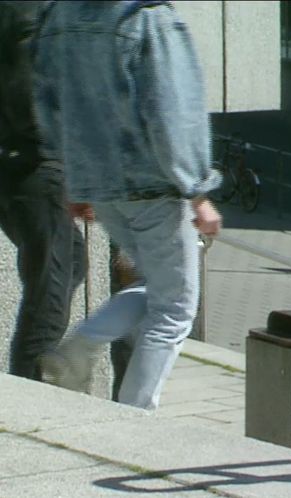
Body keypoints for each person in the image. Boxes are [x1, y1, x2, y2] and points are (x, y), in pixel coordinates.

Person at [32, 0, 222, 410]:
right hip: (150, 184)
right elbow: (171, 111)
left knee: (157, 288)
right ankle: (135, 412)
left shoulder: (59, 15)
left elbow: (47, 104)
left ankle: (83, 343)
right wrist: (198, 193)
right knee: (174, 309)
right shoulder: (148, 17)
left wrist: (73, 176)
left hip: (100, 185)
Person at [0, 0, 85, 382]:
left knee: (73, 264)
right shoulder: (32, 9)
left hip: (19, 158)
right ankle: (26, 399)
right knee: (48, 299)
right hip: (35, 162)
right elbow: (26, 85)